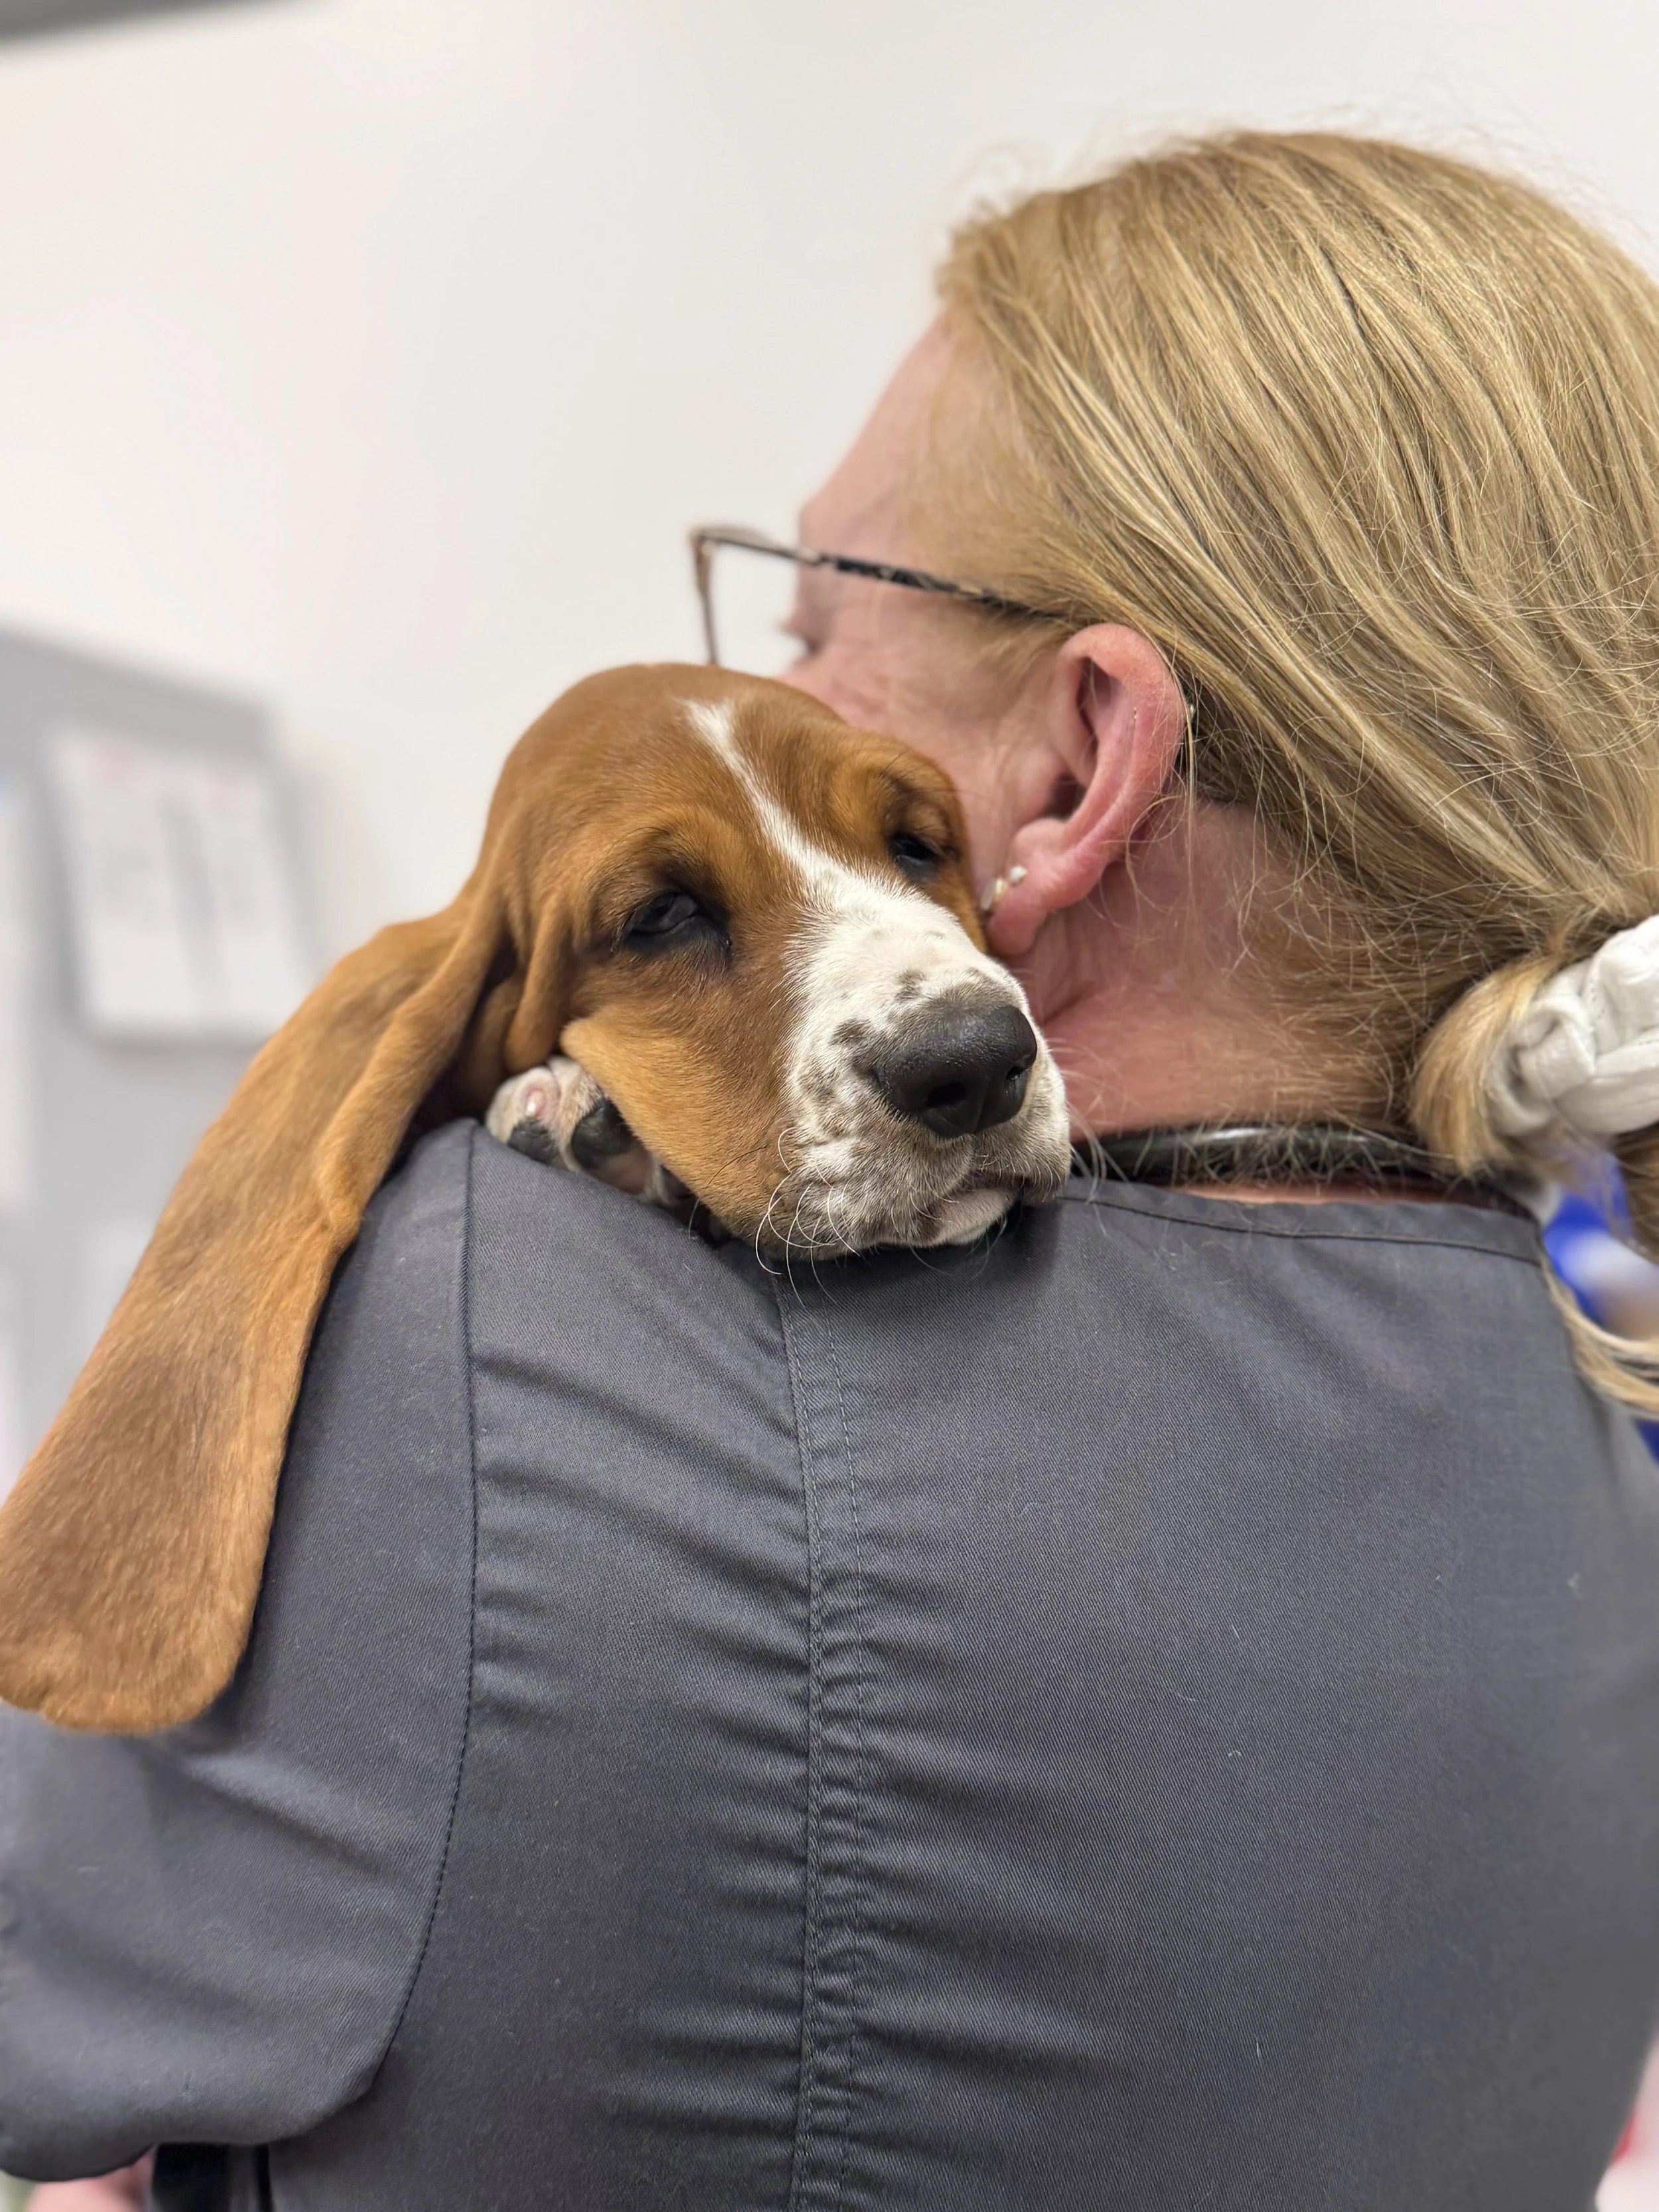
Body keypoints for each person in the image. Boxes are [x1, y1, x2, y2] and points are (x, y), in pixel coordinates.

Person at [7, 129, 1659, 2210]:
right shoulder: (1583, 1388)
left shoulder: (501, 1341)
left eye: (809, 618)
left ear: (1070, 766)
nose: (756, 687)